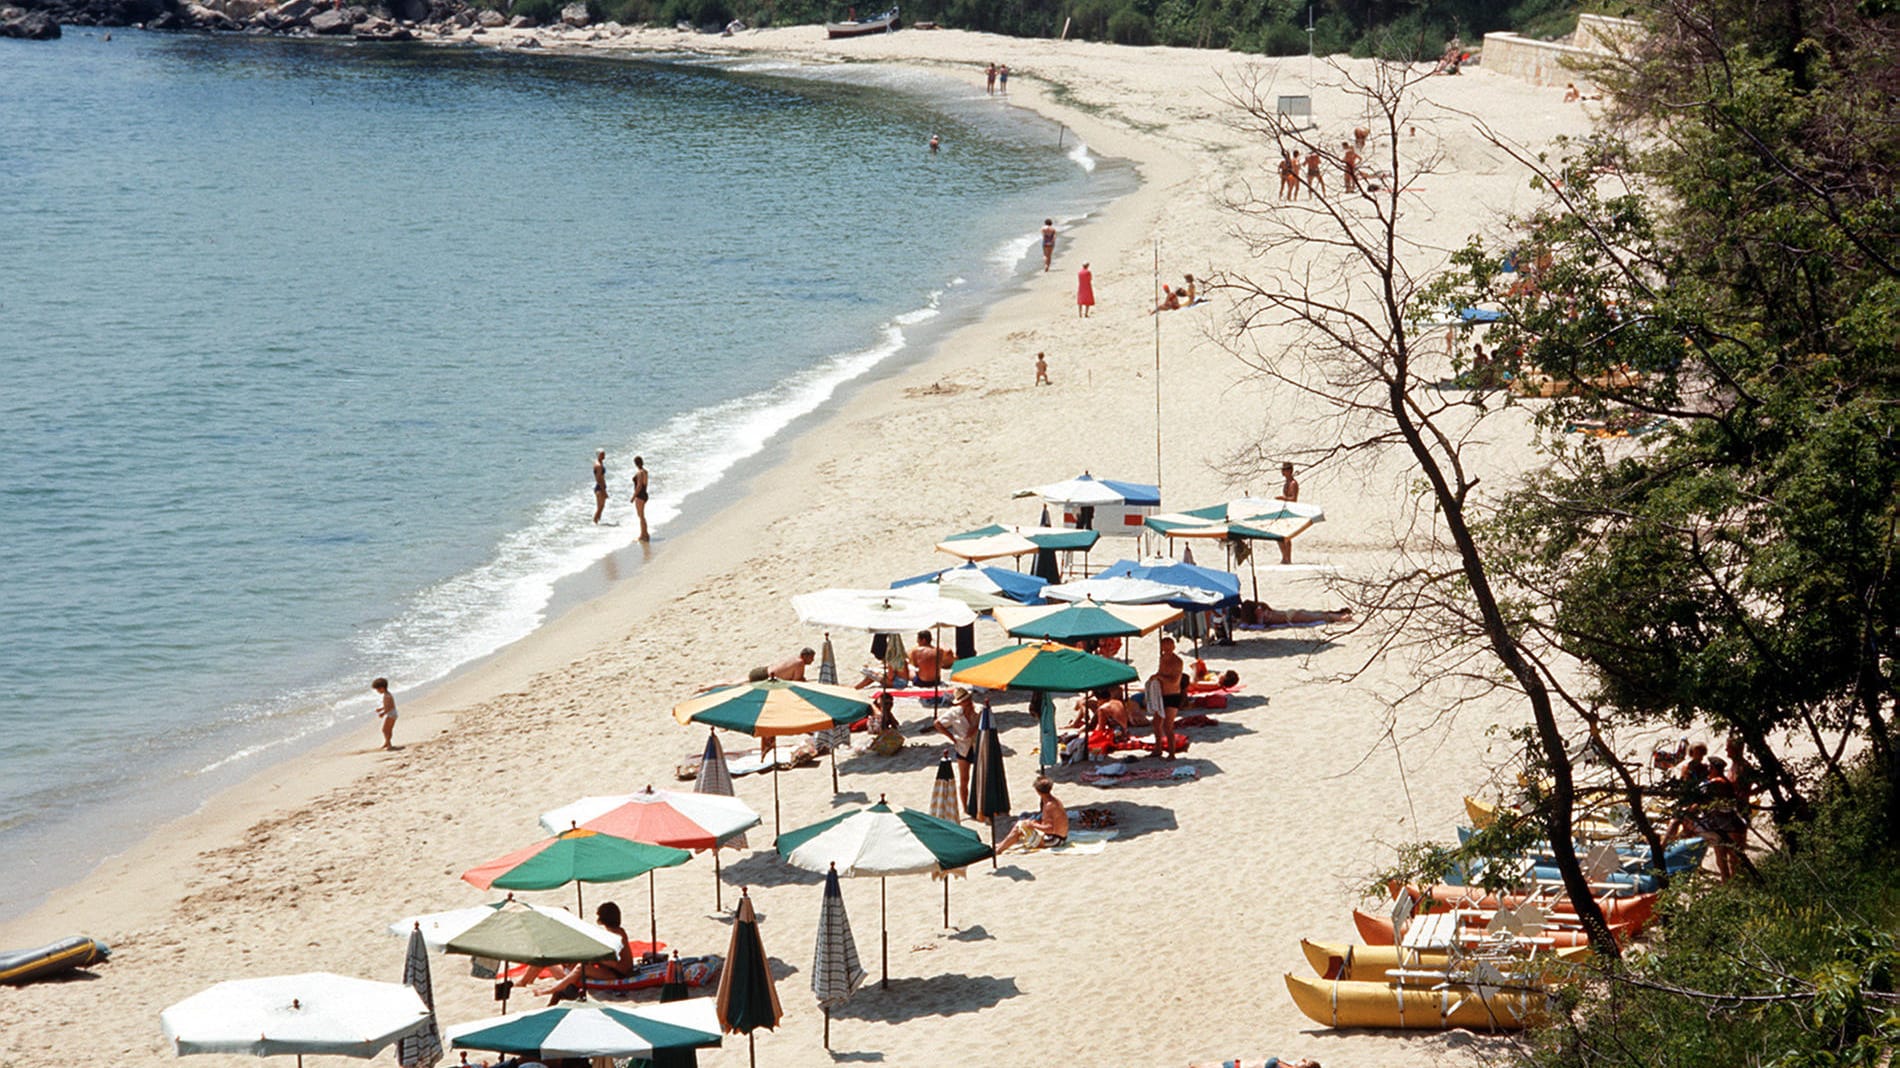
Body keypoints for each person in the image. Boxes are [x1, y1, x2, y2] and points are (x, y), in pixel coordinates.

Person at [544, 902, 635, 1004]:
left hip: (620, 973)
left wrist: (595, 959)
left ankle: (558, 988)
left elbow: (613, 962)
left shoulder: (614, 935)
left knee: (581, 968)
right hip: (619, 969)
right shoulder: (618, 931)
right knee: (584, 964)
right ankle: (564, 987)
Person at [996, 776, 1068, 851]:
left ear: (1038, 791)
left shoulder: (1049, 806)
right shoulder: (1053, 801)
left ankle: (1000, 848)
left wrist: (1033, 825)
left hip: (1055, 840)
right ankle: (1002, 845)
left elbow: (1050, 828)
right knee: (1021, 826)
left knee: (1020, 826)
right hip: (1058, 837)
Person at [935, 687, 979, 797]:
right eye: (964, 701)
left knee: (980, 779)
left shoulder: (980, 710)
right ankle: (965, 808)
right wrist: (952, 738)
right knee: (964, 780)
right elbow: (937, 724)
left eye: (967, 700)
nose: (967, 703)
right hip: (963, 748)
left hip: (978, 746)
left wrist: (975, 727)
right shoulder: (954, 713)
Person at [1152, 637, 1186, 758]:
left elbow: (1174, 681)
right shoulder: (1162, 658)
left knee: (1168, 725)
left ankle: (1172, 753)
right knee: (1156, 723)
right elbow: (1160, 673)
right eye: (1164, 646)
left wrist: (1159, 677)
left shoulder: (1177, 661)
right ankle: (1158, 748)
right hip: (1161, 695)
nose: (1166, 649)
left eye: (1168, 646)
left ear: (1173, 647)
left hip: (1173, 695)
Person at [370, 677, 397, 750]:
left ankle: (388, 744)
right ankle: (387, 742)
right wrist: (381, 708)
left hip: (391, 714)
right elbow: (388, 705)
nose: (377, 691)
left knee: (384, 730)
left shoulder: (387, 696)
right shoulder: (388, 694)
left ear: (382, 688)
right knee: (388, 730)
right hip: (393, 713)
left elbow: (389, 707)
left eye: (378, 690)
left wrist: (383, 713)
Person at [629, 455, 650, 541]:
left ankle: (643, 535)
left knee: (641, 516)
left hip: (640, 495)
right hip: (644, 494)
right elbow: (644, 484)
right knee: (641, 515)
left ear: (635, 464)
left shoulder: (639, 473)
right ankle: (645, 533)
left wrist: (633, 497)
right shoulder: (645, 472)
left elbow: (639, 485)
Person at [592, 449, 608, 525]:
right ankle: (594, 522)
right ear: (598, 455)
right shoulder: (598, 465)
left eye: (604, 454)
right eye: (602, 454)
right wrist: (604, 491)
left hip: (601, 486)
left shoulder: (599, 463)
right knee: (600, 507)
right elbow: (598, 479)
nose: (604, 456)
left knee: (601, 506)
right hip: (600, 487)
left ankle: (597, 522)